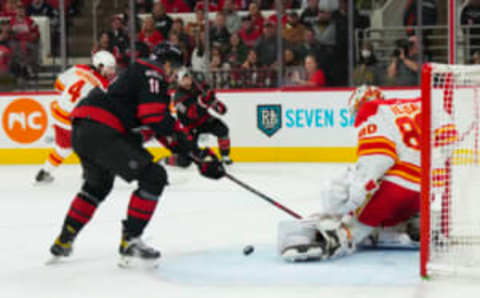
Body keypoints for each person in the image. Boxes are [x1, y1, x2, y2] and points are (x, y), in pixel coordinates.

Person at [48, 42, 225, 266]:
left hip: (84, 129)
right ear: (168, 64)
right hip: (104, 129)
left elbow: (159, 130)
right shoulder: (153, 71)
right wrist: (194, 151)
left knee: (96, 186)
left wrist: (196, 155)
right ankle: (130, 241)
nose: (174, 75)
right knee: (154, 177)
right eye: (176, 69)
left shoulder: (137, 77)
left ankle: (64, 240)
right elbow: (155, 118)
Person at [277, 85, 457, 262]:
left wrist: (348, 209)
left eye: (355, 112)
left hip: (395, 193)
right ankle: (413, 224)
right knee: (395, 203)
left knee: (356, 208)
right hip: (428, 191)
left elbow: (377, 163)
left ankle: (335, 238)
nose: (356, 118)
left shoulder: (372, 111)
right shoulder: (419, 103)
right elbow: (450, 137)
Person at [35, 51, 117, 184]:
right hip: (72, 121)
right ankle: (89, 174)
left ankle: (44, 172)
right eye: (109, 68)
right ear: (100, 65)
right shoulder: (103, 86)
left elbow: (58, 85)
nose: (112, 72)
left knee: (64, 148)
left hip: (58, 113)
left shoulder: (79, 68)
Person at [165, 69, 233, 167]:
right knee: (187, 160)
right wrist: (203, 101)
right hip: (188, 127)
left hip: (203, 120)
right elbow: (192, 114)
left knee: (222, 129)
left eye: (188, 77)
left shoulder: (198, 89)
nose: (187, 80)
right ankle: (167, 160)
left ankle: (225, 156)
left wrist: (213, 102)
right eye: (184, 78)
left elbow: (222, 110)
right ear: (179, 81)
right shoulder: (178, 97)